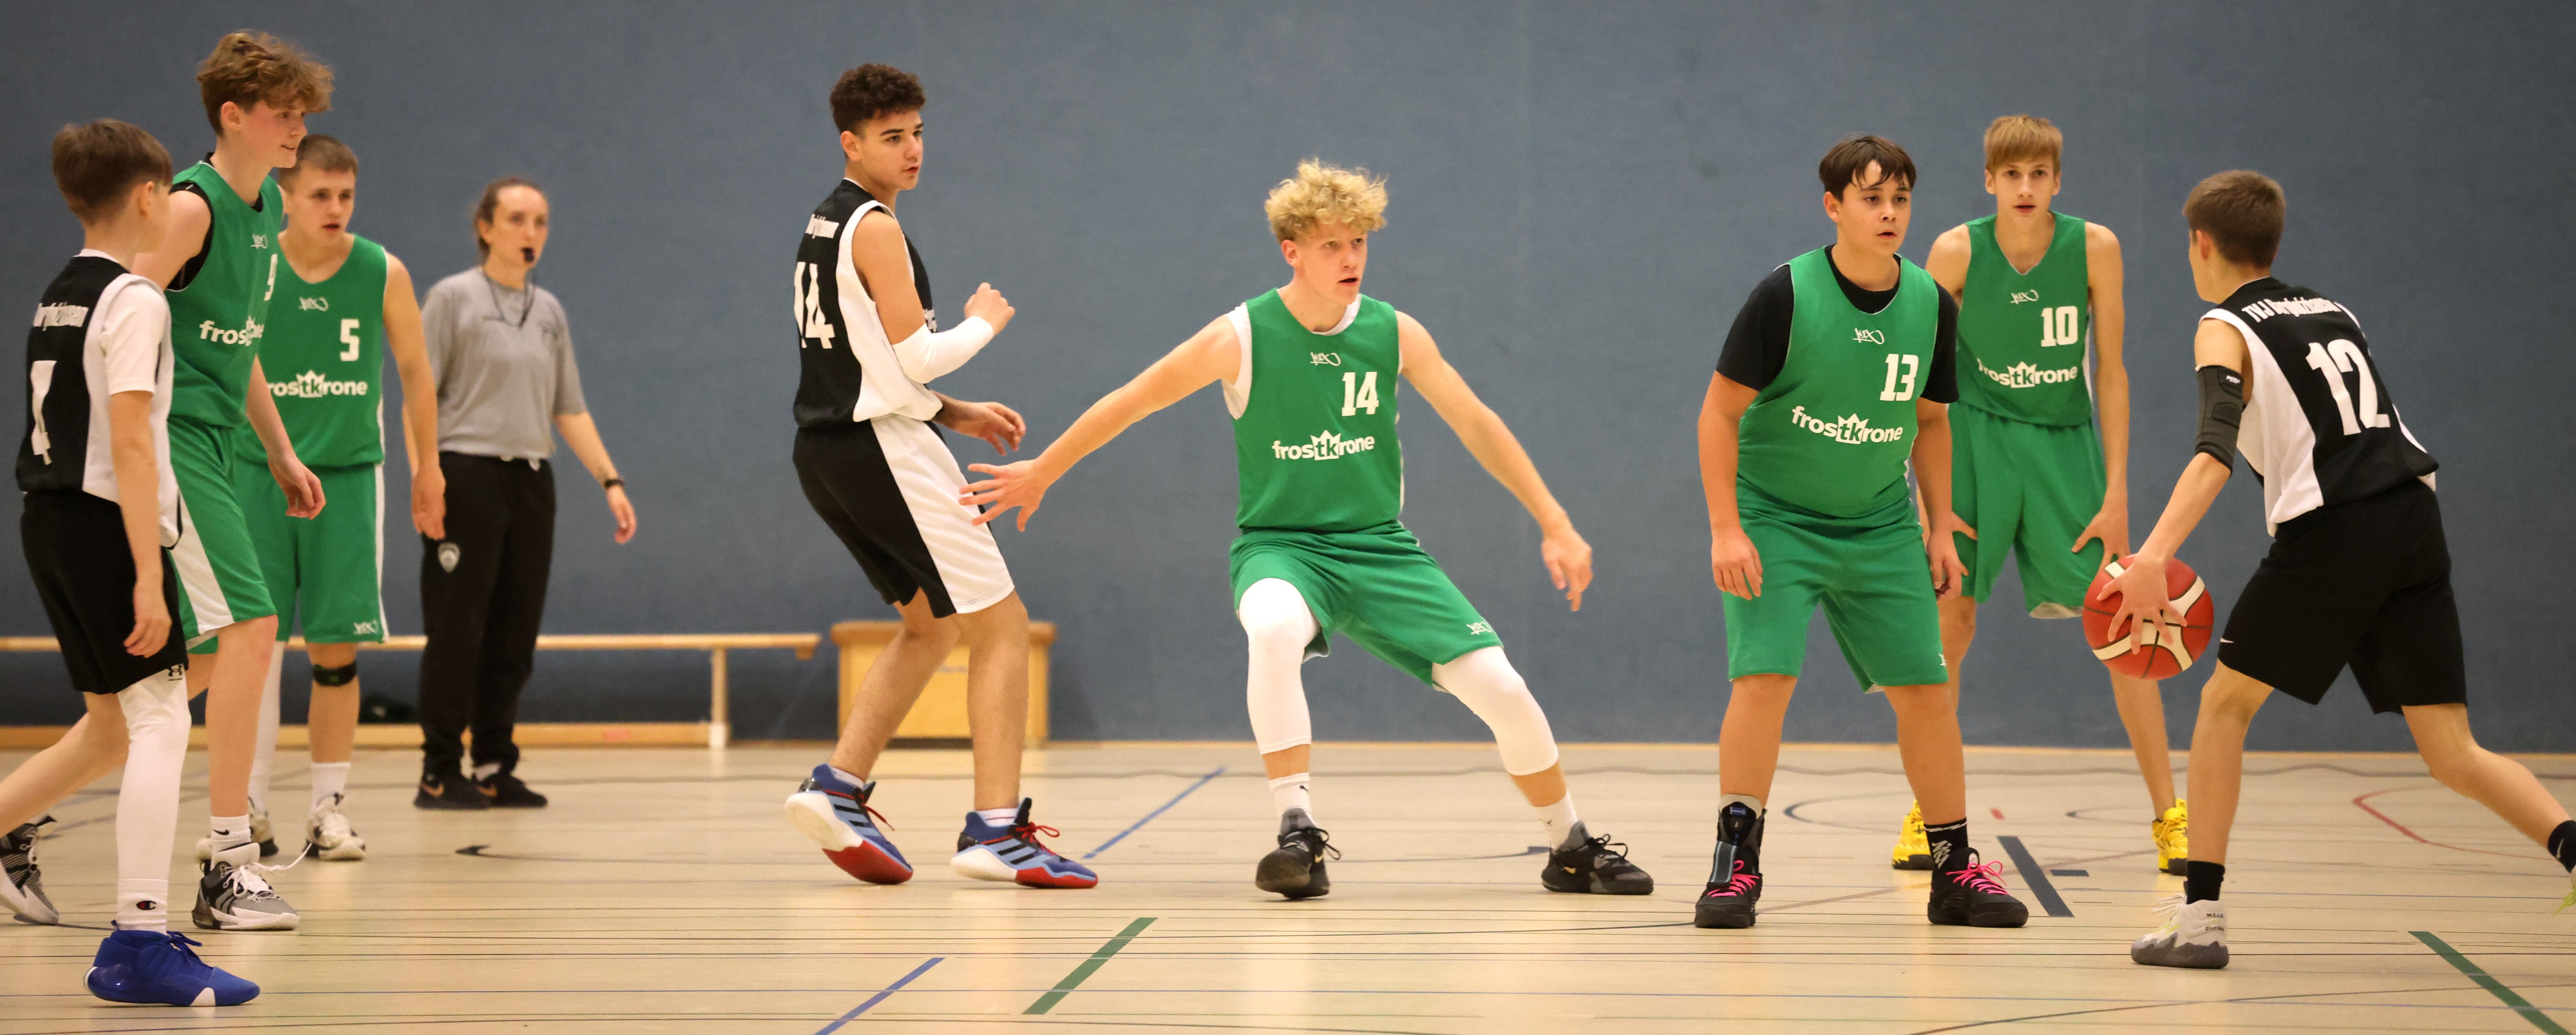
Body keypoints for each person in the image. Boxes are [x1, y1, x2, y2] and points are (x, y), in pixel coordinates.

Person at [960, 158, 1654, 901]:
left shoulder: (1394, 332)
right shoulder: (1240, 335)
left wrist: (1555, 521)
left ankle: (1569, 846)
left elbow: (1477, 423)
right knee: (1271, 628)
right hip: (1282, 548)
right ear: (1292, 251)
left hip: (1381, 548)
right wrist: (1045, 470)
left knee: (1503, 688)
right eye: (1331, 246)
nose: (1351, 258)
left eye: (1359, 243)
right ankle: (1297, 831)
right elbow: (1133, 400)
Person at [2111, 171, 2576, 969]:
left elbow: (2214, 454)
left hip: (2338, 527)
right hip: (2413, 517)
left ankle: (2200, 920)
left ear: (2201, 243)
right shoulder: (2333, 310)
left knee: (2223, 707)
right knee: (2452, 750)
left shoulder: (2222, 326)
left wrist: (2151, 557)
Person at [1693, 136, 2028, 930]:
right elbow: (1718, 414)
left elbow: (1931, 422)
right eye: (1871, 198)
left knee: (1927, 693)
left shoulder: (1931, 303)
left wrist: (1938, 527)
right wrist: (1726, 528)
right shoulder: (1785, 295)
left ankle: (1954, 870)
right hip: (1777, 519)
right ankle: (1736, 865)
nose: (1889, 213)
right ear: (1834, 207)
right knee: (1765, 680)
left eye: (1900, 199)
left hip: (1880, 523)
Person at [776, 65, 1094, 890]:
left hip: (828, 450)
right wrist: (982, 324)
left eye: (917, 132)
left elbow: (865, 362)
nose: (912, 149)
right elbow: (916, 354)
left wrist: (953, 413)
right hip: (882, 451)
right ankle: (997, 830)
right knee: (1002, 625)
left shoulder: (822, 222)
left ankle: (839, 786)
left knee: (931, 625)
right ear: (851, 143)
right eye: (892, 137)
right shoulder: (876, 227)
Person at [0, 119, 258, 1005]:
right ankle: (140, 938)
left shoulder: (58, 293)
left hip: (46, 519)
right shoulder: (136, 298)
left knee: (114, 726)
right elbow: (134, 441)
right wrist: (151, 572)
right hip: (105, 524)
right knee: (161, 720)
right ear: (149, 197)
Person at [1892, 115, 2184, 875]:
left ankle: (2170, 817)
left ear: (2058, 180)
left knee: (2126, 631)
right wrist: (1928, 501)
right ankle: (1928, 816)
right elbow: (1920, 379)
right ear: (1989, 181)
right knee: (1950, 624)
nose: (2025, 188)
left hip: (2064, 446)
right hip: (1975, 444)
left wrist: (2117, 492)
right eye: (2012, 175)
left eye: (2039, 174)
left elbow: (2112, 372)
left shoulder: (2096, 247)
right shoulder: (1956, 251)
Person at [129, 30, 333, 933]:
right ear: (233, 116)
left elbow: (237, 346)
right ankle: (228, 862)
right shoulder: (192, 208)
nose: (298, 129)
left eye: (302, 114)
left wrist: (281, 451)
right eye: (283, 114)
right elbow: (119, 316)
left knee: (194, 664)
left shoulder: (265, 211)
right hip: (170, 440)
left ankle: (20, 813)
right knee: (253, 625)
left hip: (219, 444)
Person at [202, 133, 441, 862]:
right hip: (256, 475)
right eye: (320, 195)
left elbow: (416, 370)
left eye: (346, 195)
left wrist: (428, 467)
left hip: (347, 478)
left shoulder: (381, 270)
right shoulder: (257, 262)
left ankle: (328, 809)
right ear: (287, 195)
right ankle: (247, 807)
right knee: (253, 647)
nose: (335, 208)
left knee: (337, 651)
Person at [413, 176, 635, 810]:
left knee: (514, 632)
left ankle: (492, 763)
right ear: (485, 228)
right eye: (515, 219)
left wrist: (611, 480)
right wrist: (426, 475)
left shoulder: (549, 311)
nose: (530, 232)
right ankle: (438, 769)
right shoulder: (452, 298)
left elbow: (569, 407)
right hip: (466, 473)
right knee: (459, 628)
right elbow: (419, 396)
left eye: (539, 221)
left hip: (532, 480)